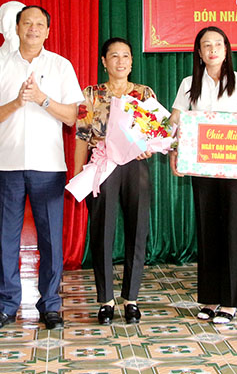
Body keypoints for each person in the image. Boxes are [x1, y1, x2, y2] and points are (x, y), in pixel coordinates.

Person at [0, 5, 84, 330]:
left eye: (39, 24)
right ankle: (6, 306)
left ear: (48, 31)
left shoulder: (61, 66)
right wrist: (17, 102)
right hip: (7, 165)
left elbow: (72, 117)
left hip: (48, 166)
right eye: (27, 23)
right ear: (17, 28)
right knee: (6, 239)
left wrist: (41, 99)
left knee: (51, 239)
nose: (33, 29)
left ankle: (50, 305)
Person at [168, 26, 237, 324]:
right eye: (206, 45)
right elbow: (176, 120)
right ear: (199, 52)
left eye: (218, 44)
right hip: (202, 166)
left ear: (226, 49)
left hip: (235, 167)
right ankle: (209, 298)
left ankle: (230, 302)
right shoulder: (188, 83)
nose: (212, 50)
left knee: (233, 229)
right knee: (207, 230)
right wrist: (170, 149)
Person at [73, 37, 156, 325]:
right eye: (114, 56)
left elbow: (155, 131)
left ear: (132, 62)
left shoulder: (144, 93)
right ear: (104, 62)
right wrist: (79, 172)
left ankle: (131, 299)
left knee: (138, 230)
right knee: (102, 232)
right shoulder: (91, 93)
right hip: (103, 164)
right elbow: (82, 135)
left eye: (126, 56)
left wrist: (149, 146)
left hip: (135, 165)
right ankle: (105, 300)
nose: (121, 61)